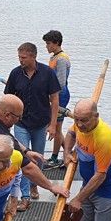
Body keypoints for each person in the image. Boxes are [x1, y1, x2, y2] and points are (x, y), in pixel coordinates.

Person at [4, 42, 60, 210]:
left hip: (41, 123)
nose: (20, 60)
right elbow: (7, 99)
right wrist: (5, 122)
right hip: (21, 123)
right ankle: (25, 195)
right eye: (19, 57)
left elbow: (55, 99)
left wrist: (53, 124)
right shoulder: (15, 74)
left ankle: (35, 184)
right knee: (22, 158)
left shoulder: (47, 73)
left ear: (33, 56)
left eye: (23, 57)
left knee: (38, 158)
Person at [42, 30, 70, 170]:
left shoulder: (61, 60)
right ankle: (68, 152)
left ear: (57, 43)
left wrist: (50, 96)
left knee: (57, 128)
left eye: (48, 44)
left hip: (60, 96)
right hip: (53, 94)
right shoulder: (54, 57)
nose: (46, 46)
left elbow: (61, 83)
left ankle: (54, 158)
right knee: (56, 127)